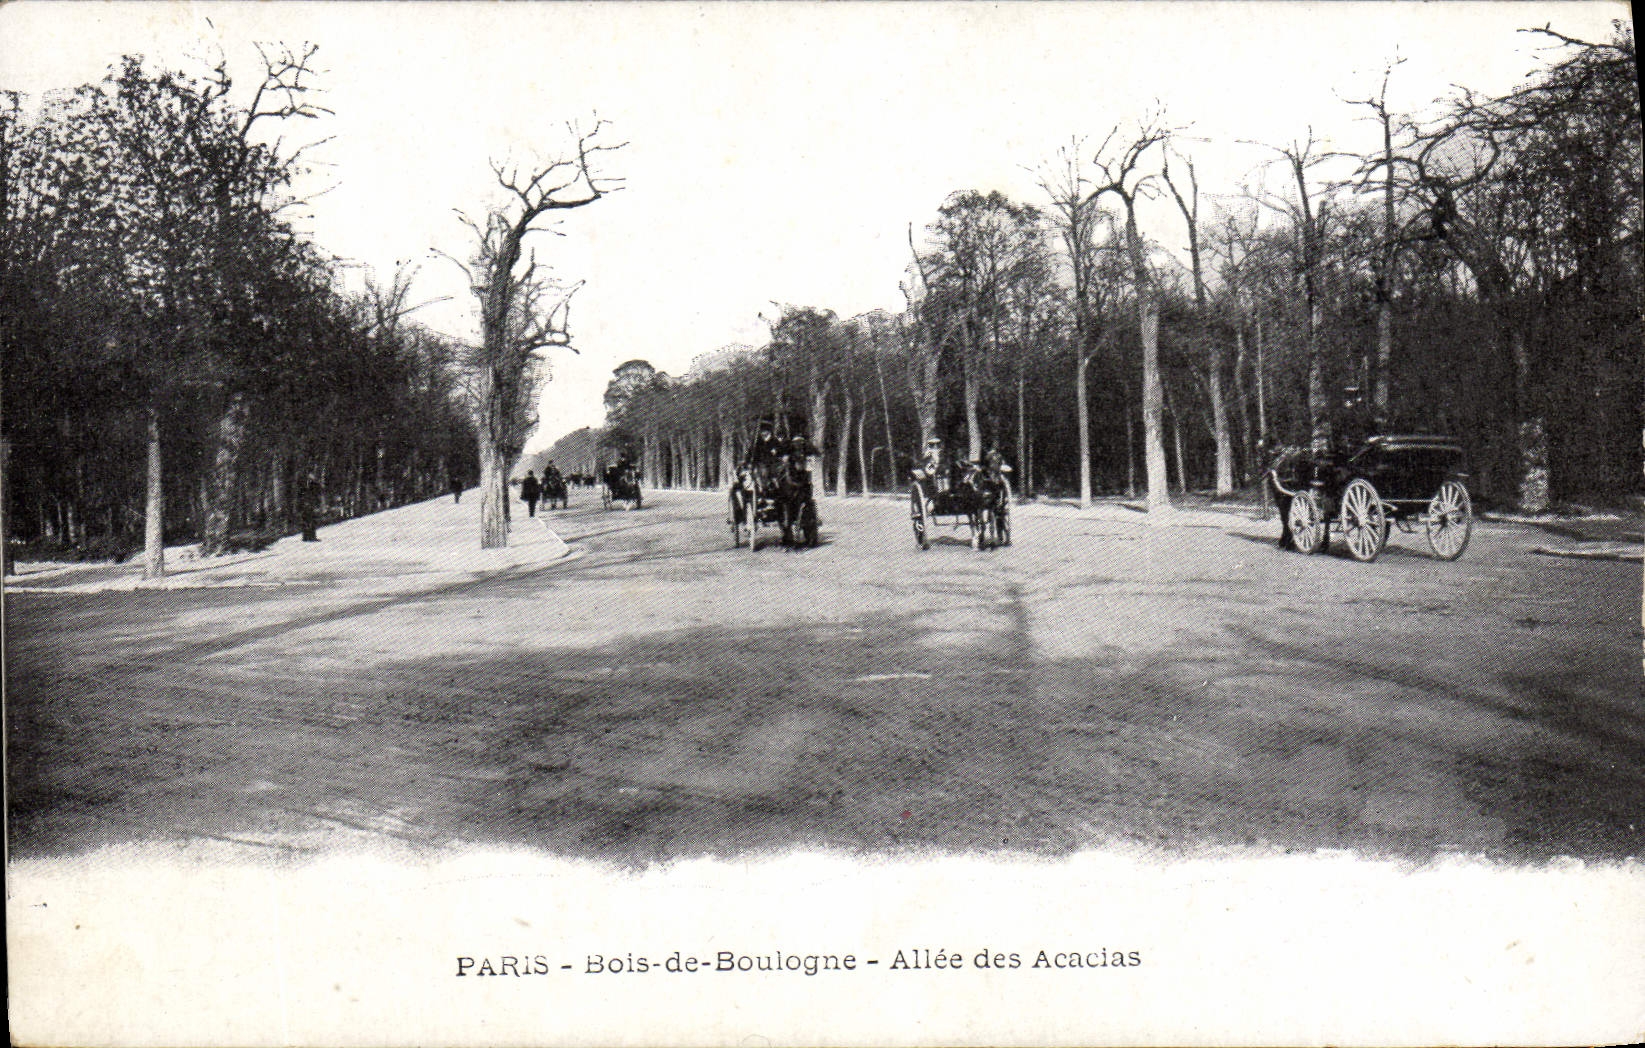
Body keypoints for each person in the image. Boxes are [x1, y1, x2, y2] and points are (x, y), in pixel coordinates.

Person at [298, 470, 321, 542]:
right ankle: (305, 536)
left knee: (312, 520)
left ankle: (312, 536)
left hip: (311, 504)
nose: (311, 477)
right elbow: (299, 494)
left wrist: (317, 504)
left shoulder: (315, 484)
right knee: (305, 520)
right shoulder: (302, 484)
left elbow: (317, 494)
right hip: (305, 504)